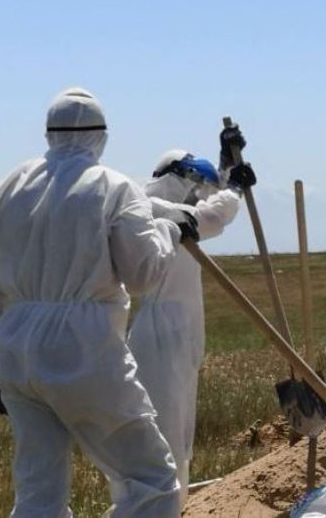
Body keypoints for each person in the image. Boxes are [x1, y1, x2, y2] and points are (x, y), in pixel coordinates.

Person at [0, 88, 197, 518]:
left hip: (18, 351)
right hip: (85, 349)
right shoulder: (114, 188)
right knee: (152, 479)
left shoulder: (6, 189)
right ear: (101, 135)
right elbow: (142, 274)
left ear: (48, 133)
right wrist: (172, 232)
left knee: (38, 494)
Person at [127, 136, 256, 501]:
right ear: (179, 177)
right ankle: (157, 505)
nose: (199, 194)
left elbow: (206, 203)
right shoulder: (150, 206)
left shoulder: (173, 205)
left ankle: (175, 503)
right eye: (196, 185)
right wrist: (233, 189)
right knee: (165, 431)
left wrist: (228, 164)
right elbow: (210, 215)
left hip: (179, 332)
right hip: (159, 336)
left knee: (181, 431)